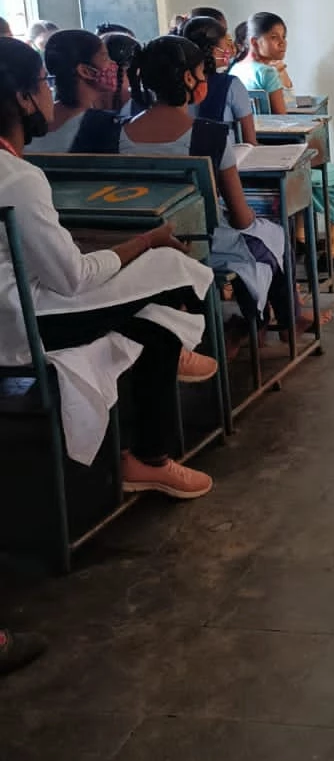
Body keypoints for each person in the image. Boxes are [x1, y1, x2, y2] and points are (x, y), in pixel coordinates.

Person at [0, 37, 217, 498]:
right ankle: (149, 458)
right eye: (42, 83)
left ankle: (152, 447)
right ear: (23, 98)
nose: (49, 92)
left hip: (18, 308)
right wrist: (141, 243)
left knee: (154, 316)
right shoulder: (18, 178)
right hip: (24, 326)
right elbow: (72, 278)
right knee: (167, 268)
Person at [122, 36, 307, 336]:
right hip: (199, 246)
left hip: (137, 244)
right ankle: (266, 325)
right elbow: (241, 218)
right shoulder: (210, 136)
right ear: (188, 78)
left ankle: (248, 327)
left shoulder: (118, 132)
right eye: (201, 73)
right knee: (272, 235)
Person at [231, 12, 334, 271]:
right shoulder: (267, 73)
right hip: (278, 159)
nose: (282, 43)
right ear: (254, 41)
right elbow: (282, 121)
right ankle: (333, 253)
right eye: (274, 37)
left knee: (314, 176)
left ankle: (302, 239)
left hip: (248, 158)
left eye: (284, 37)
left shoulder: (236, 70)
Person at [26, 29, 120, 153]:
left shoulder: (33, 118)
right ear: (85, 71)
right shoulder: (106, 125)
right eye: (105, 57)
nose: (114, 64)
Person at [182, 14, 256, 145]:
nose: (230, 49)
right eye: (226, 44)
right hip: (225, 155)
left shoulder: (175, 85)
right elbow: (250, 142)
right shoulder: (232, 85)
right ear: (214, 51)